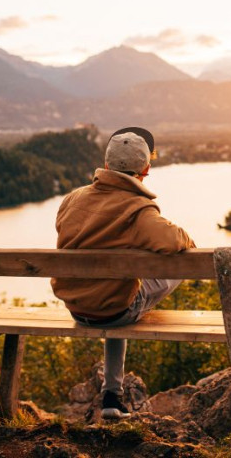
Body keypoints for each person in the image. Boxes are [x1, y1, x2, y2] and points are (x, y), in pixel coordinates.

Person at [50, 126, 195, 420]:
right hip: (116, 310)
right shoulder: (137, 210)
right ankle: (113, 395)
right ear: (146, 169)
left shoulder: (73, 199)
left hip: (77, 308)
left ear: (106, 165)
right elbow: (171, 241)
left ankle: (111, 397)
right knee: (177, 267)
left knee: (117, 290)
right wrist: (188, 242)